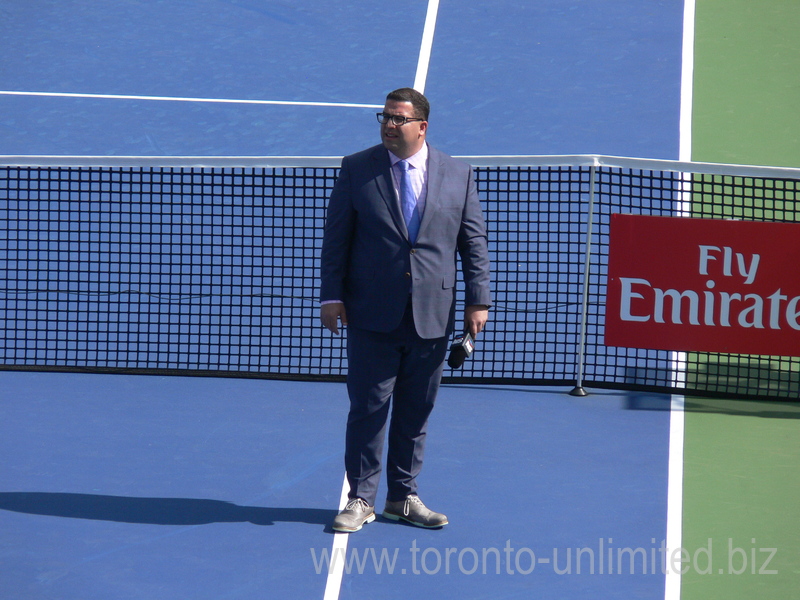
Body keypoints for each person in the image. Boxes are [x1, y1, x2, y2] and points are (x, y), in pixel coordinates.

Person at [319, 87, 491, 533]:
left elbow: (473, 242)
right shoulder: (358, 168)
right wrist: (331, 295)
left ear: (422, 126)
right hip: (371, 312)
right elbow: (337, 238)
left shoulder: (458, 173)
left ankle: (402, 496)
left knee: (416, 411)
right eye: (385, 117)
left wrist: (478, 299)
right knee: (369, 408)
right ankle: (361, 498)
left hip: (433, 313)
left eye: (399, 118)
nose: (389, 125)